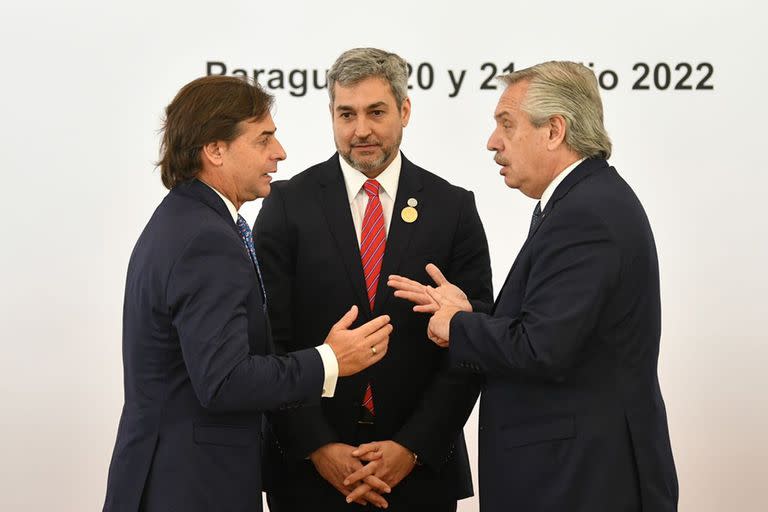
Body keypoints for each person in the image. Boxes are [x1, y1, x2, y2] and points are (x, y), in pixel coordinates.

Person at [389, 61, 679, 511]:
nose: (493, 142)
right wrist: (472, 315)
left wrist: (460, 327)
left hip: (581, 480)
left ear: (554, 131)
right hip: (573, 473)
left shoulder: (586, 214)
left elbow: (542, 348)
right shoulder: (579, 202)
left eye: (507, 124)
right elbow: (557, 329)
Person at [102, 75, 392, 512]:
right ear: (215, 149)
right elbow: (223, 382)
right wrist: (330, 359)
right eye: (263, 140)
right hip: (191, 488)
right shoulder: (206, 238)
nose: (280, 153)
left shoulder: (185, 221)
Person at [254, 48, 493, 511]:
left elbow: (474, 339)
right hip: (308, 474)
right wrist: (318, 447)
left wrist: (413, 447)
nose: (360, 129)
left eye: (376, 112)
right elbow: (268, 341)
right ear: (332, 116)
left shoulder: (453, 208)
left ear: (404, 111)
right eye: (347, 114)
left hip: (420, 474)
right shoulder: (287, 204)